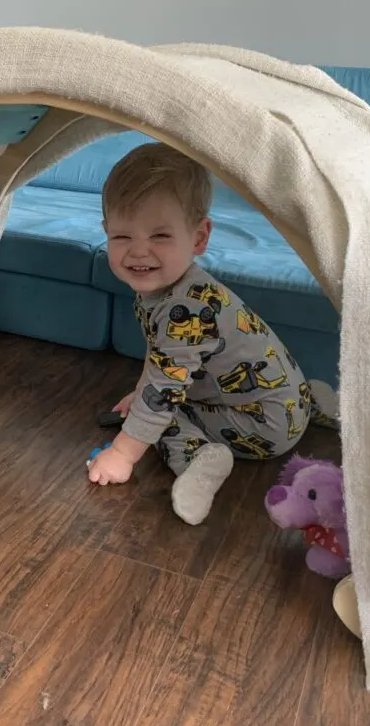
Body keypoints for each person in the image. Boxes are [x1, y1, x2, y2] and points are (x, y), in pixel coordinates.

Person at [87, 142, 312, 525]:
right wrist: (141, 389)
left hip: (264, 424)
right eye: (122, 237)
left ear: (199, 237)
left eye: (159, 236)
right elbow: (162, 357)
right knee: (152, 400)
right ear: (106, 232)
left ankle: (200, 461)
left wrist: (123, 454)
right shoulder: (171, 290)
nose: (138, 252)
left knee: (160, 417)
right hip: (288, 403)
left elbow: (164, 392)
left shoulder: (184, 310)